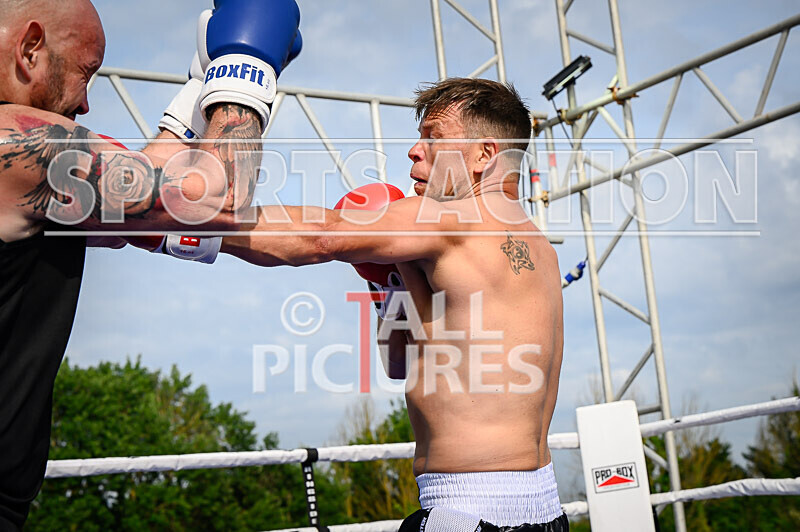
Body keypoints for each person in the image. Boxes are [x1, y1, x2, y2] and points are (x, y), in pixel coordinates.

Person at [0, 0, 301, 529]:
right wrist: (243, 77)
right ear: (29, 50)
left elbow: (134, 207)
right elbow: (215, 200)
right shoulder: (21, 144)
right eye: (85, 73)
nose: (88, 103)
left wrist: (197, 92)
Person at [220, 77, 568, 530]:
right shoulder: (542, 250)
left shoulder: (445, 219)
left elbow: (319, 236)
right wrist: (390, 282)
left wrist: (176, 225)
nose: (414, 151)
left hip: (468, 511)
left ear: (484, 155)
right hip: (543, 508)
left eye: (433, 138)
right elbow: (403, 363)